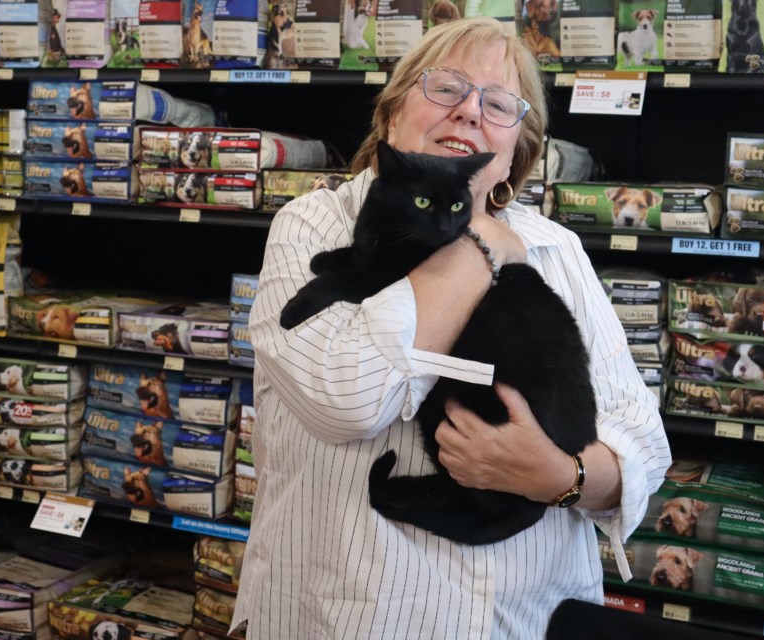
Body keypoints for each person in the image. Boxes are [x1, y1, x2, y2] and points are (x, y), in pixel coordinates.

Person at [231, 16, 671, 639]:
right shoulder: (313, 225)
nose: (469, 112)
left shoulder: (556, 249)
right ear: (390, 115)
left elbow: (644, 450)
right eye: (445, 88)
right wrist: (478, 244)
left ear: (516, 150)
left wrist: (558, 475)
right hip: (346, 618)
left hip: (522, 621)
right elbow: (348, 402)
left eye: (498, 103)